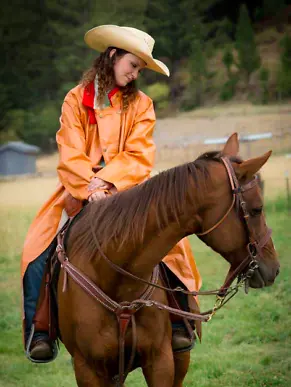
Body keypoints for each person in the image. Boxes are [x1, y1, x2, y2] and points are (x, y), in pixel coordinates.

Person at [21, 25, 202, 362]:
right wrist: (88, 187)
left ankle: (179, 321)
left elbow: (139, 154)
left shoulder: (143, 105)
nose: (134, 75)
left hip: (128, 190)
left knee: (172, 242)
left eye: (139, 70)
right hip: (78, 188)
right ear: (112, 55)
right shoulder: (76, 99)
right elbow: (69, 150)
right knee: (37, 249)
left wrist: (107, 184)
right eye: (132, 65)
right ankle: (40, 330)